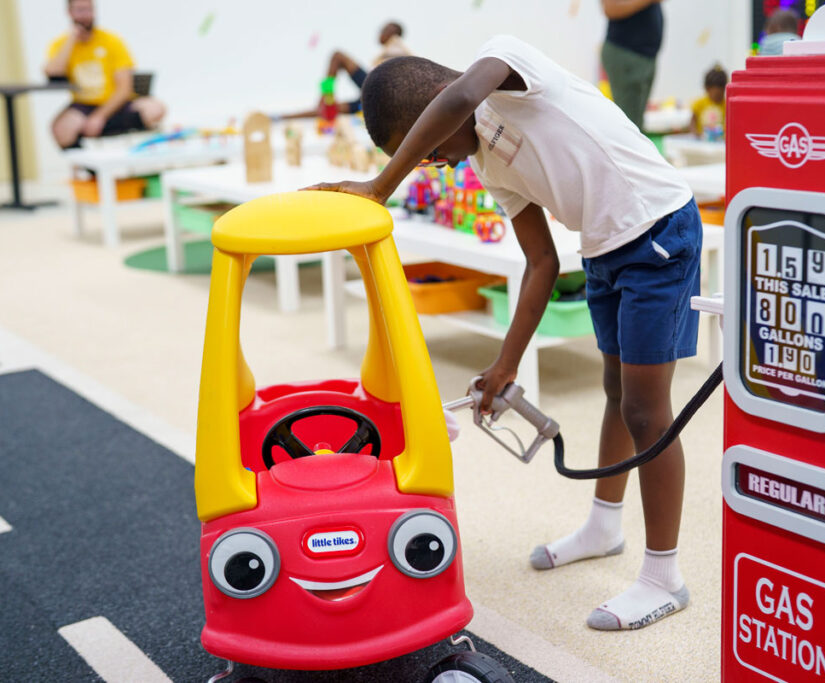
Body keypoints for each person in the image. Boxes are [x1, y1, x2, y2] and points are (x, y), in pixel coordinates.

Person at [307, 35, 701, 631]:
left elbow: (461, 94)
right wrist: (506, 363)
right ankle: (604, 526)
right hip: (604, 246)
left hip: (657, 229)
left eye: (426, 152)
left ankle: (664, 577)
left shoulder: (509, 65)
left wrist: (379, 186)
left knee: (647, 411)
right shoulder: (488, 165)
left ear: (441, 107)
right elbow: (541, 261)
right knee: (617, 392)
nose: (436, 164)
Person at [44, 0, 165, 148]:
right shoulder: (61, 44)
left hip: (116, 104)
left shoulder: (111, 41)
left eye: (89, 10)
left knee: (156, 109)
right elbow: (53, 72)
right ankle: (87, 162)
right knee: (60, 129)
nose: (85, 15)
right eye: (80, 10)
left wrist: (99, 117)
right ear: (69, 12)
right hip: (84, 105)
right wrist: (71, 40)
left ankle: (130, 146)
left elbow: (124, 88)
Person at [282, 21, 410, 120]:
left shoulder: (397, 47)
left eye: (384, 30)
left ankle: (325, 96)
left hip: (378, 91)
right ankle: (283, 117)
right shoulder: (391, 51)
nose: (380, 33)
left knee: (337, 56)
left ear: (393, 33)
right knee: (328, 110)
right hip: (372, 101)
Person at [600, 0, 666, 132]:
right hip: (626, 52)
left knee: (635, 124)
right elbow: (610, 8)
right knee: (629, 126)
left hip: (643, 54)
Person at [690, 65, 727, 139]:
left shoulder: (727, 104)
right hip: (702, 141)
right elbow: (693, 121)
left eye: (721, 93)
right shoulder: (699, 103)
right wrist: (695, 133)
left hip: (720, 141)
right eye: (716, 94)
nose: (718, 96)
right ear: (707, 89)